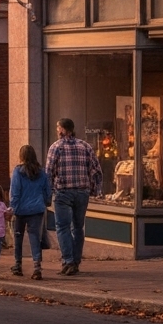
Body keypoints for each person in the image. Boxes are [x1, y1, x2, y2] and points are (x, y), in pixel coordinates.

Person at [45, 118, 102, 276]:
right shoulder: (85, 146)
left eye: (58, 128)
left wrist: (47, 194)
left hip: (63, 191)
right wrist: (95, 190)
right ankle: (76, 261)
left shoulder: (56, 147)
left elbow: (48, 173)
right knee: (78, 227)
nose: (57, 131)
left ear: (63, 130)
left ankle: (68, 260)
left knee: (62, 227)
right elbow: (96, 170)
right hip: (82, 192)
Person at [9, 145, 52, 280]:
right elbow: (47, 191)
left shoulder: (18, 172)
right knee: (35, 238)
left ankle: (18, 265)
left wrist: (13, 208)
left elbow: (15, 192)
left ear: (21, 156)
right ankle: (37, 267)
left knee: (18, 237)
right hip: (37, 209)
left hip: (21, 210)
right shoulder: (42, 172)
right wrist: (46, 202)